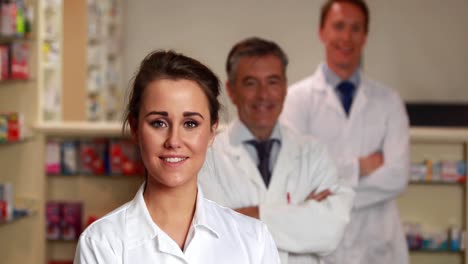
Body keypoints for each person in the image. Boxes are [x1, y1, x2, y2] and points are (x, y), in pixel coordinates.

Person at [74, 50, 280, 263]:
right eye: (159, 123)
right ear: (135, 128)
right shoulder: (102, 243)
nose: (173, 141)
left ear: (212, 131)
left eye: (190, 124)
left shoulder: (253, 239)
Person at [199, 37, 355, 264]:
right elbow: (209, 236)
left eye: (273, 82)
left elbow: (331, 231)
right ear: (231, 90)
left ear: (284, 87)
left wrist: (247, 215)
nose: (263, 95)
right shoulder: (206, 156)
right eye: (251, 83)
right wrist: (300, 213)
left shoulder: (314, 154)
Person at [281, 1, 410, 263]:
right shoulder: (296, 99)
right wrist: (359, 167)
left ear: (365, 36)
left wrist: (329, 190)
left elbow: (397, 175)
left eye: (355, 28)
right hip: (320, 247)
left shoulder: (388, 101)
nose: (346, 37)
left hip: (377, 245)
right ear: (322, 32)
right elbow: (297, 175)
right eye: (339, 26)